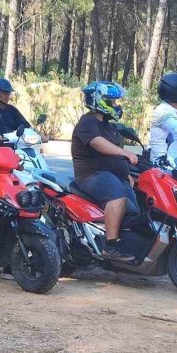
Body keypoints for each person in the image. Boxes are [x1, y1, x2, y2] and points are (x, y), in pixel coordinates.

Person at [72, 82, 139, 263]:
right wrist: (124, 152)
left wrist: (126, 173)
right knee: (117, 196)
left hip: (111, 175)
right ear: (99, 101)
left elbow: (114, 153)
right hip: (92, 175)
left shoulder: (108, 125)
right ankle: (110, 245)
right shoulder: (87, 122)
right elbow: (98, 143)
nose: (116, 105)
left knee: (134, 209)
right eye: (112, 101)